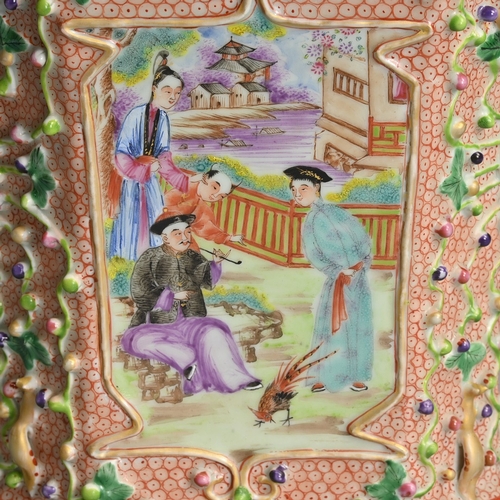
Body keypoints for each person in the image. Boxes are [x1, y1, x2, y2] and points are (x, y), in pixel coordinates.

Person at [121, 213, 262, 395]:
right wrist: (171, 296)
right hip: (155, 323)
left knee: (214, 333)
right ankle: (187, 360)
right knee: (139, 342)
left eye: (187, 232)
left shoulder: (193, 257)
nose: (185, 237)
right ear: (165, 238)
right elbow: (140, 291)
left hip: (190, 321)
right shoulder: (150, 258)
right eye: (177, 234)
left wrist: (215, 264)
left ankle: (236, 379)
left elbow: (207, 282)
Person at [284, 166, 373, 393]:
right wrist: (337, 272)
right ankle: (322, 376)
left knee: (359, 326)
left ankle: (357, 375)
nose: (297, 194)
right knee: (331, 329)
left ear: (317, 188)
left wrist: (362, 263)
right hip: (338, 281)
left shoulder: (337, 212)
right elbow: (314, 254)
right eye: (294, 190)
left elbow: (362, 237)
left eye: (303, 188)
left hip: (358, 279)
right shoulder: (310, 220)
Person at [109, 50, 189, 261]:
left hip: (150, 182)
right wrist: (143, 169)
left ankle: (153, 263)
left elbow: (164, 156)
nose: (172, 97)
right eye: (167, 90)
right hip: (131, 181)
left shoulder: (163, 118)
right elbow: (121, 154)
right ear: (154, 89)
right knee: (131, 221)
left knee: (155, 218)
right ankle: (127, 261)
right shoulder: (135, 115)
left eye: (177, 92)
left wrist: (184, 182)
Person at [164, 165, 244, 247]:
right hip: (162, 227)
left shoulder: (201, 206)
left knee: (192, 248)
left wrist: (230, 238)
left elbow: (205, 227)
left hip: (178, 232)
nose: (215, 196)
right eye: (214, 188)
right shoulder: (186, 186)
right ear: (205, 178)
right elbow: (163, 205)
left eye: (221, 196)